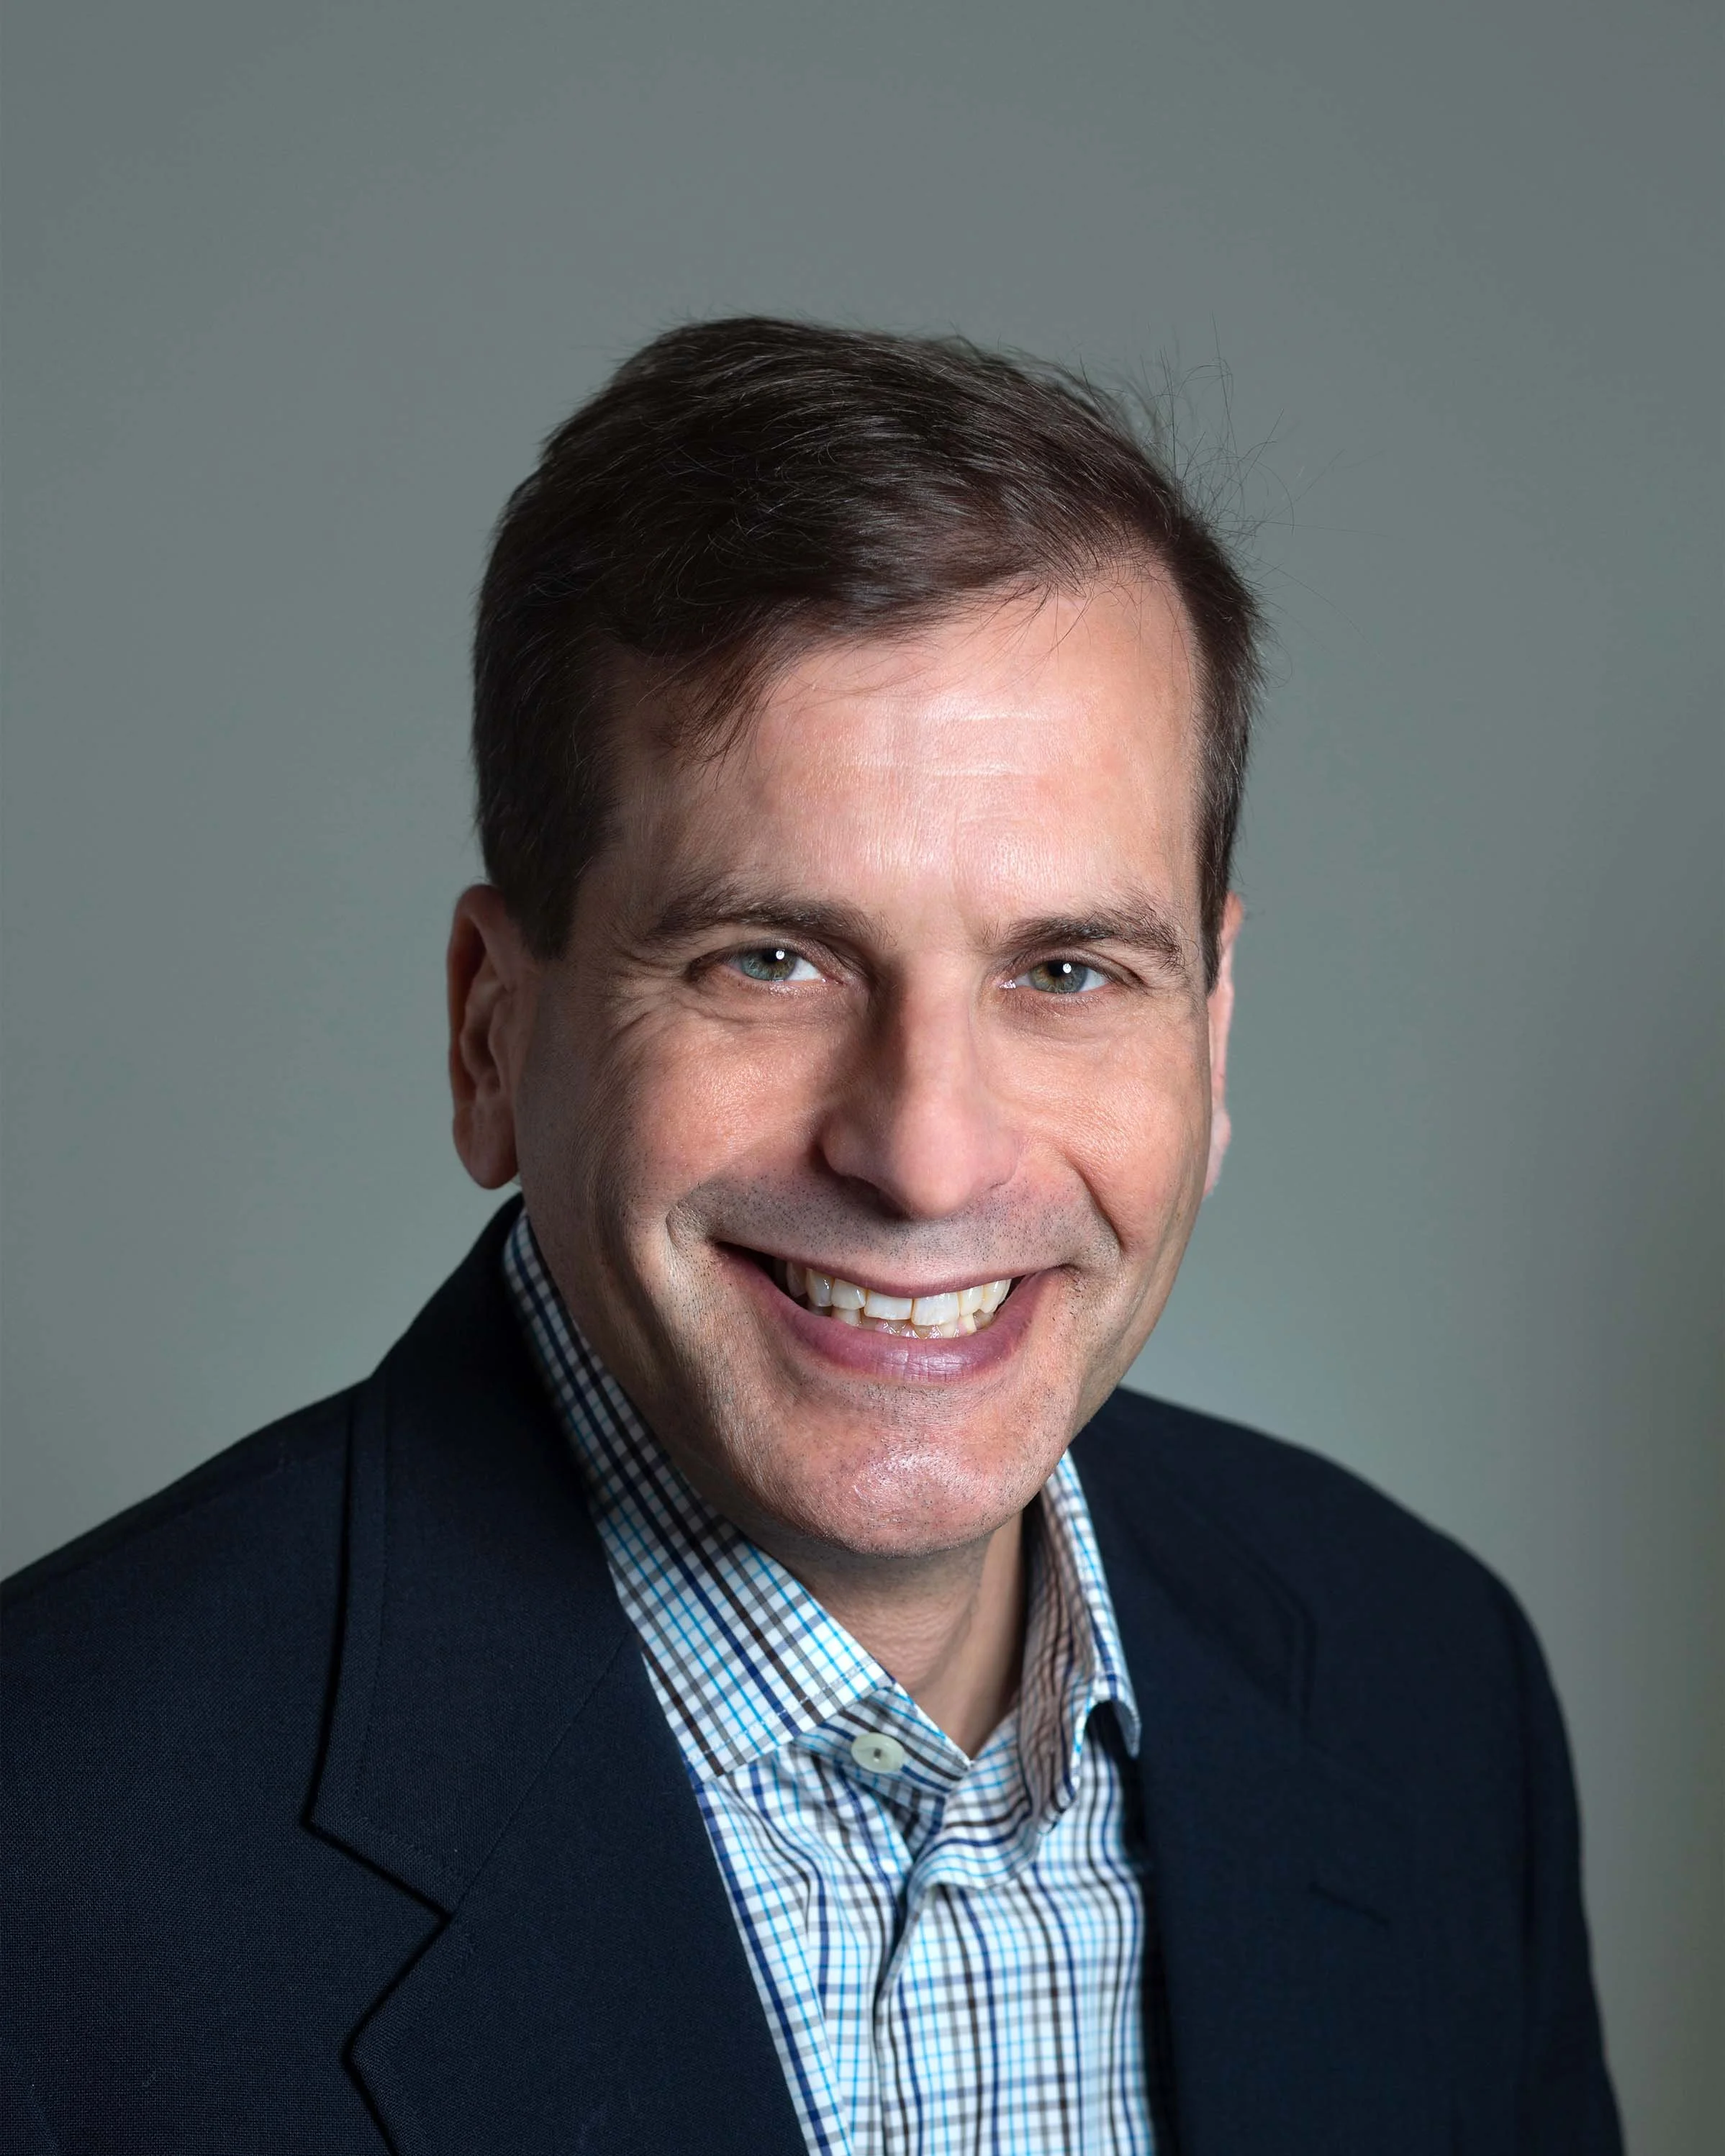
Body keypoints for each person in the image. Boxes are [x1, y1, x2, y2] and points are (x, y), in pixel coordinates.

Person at [2, 319, 1620, 2155]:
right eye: (767, 959)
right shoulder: (53, 1852)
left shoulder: (1423, 1684)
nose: (927, 1156)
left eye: (1067, 969)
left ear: (1213, 1035)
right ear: (489, 1032)